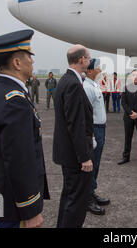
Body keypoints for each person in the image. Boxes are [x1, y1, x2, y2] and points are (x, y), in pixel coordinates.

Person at [0, 30, 50, 228]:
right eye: (29, 57)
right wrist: (31, 210)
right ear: (17, 63)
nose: (32, 62)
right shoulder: (14, 101)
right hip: (13, 204)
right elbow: (20, 160)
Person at [53, 45, 94, 228]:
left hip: (68, 153)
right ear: (81, 60)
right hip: (75, 157)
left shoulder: (65, 80)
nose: (90, 61)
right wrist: (84, 157)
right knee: (76, 203)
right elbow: (76, 124)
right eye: (88, 58)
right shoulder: (73, 84)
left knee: (69, 198)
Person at [83, 59, 110, 216]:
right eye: (98, 68)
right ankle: (87, 199)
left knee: (97, 163)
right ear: (90, 71)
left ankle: (91, 191)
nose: (101, 71)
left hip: (100, 129)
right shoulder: (87, 88)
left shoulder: (94, 85)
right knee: (91, 164)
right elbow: (86, 114)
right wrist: (91, 134)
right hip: (94, 130)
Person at [118, 69, 137, 166]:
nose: (135, 77)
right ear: (130, 77)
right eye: (134, 75)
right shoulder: (126, 88)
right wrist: (131, 112)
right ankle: (126, 157)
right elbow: (123, 102)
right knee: (128, 137)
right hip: (128, 117)